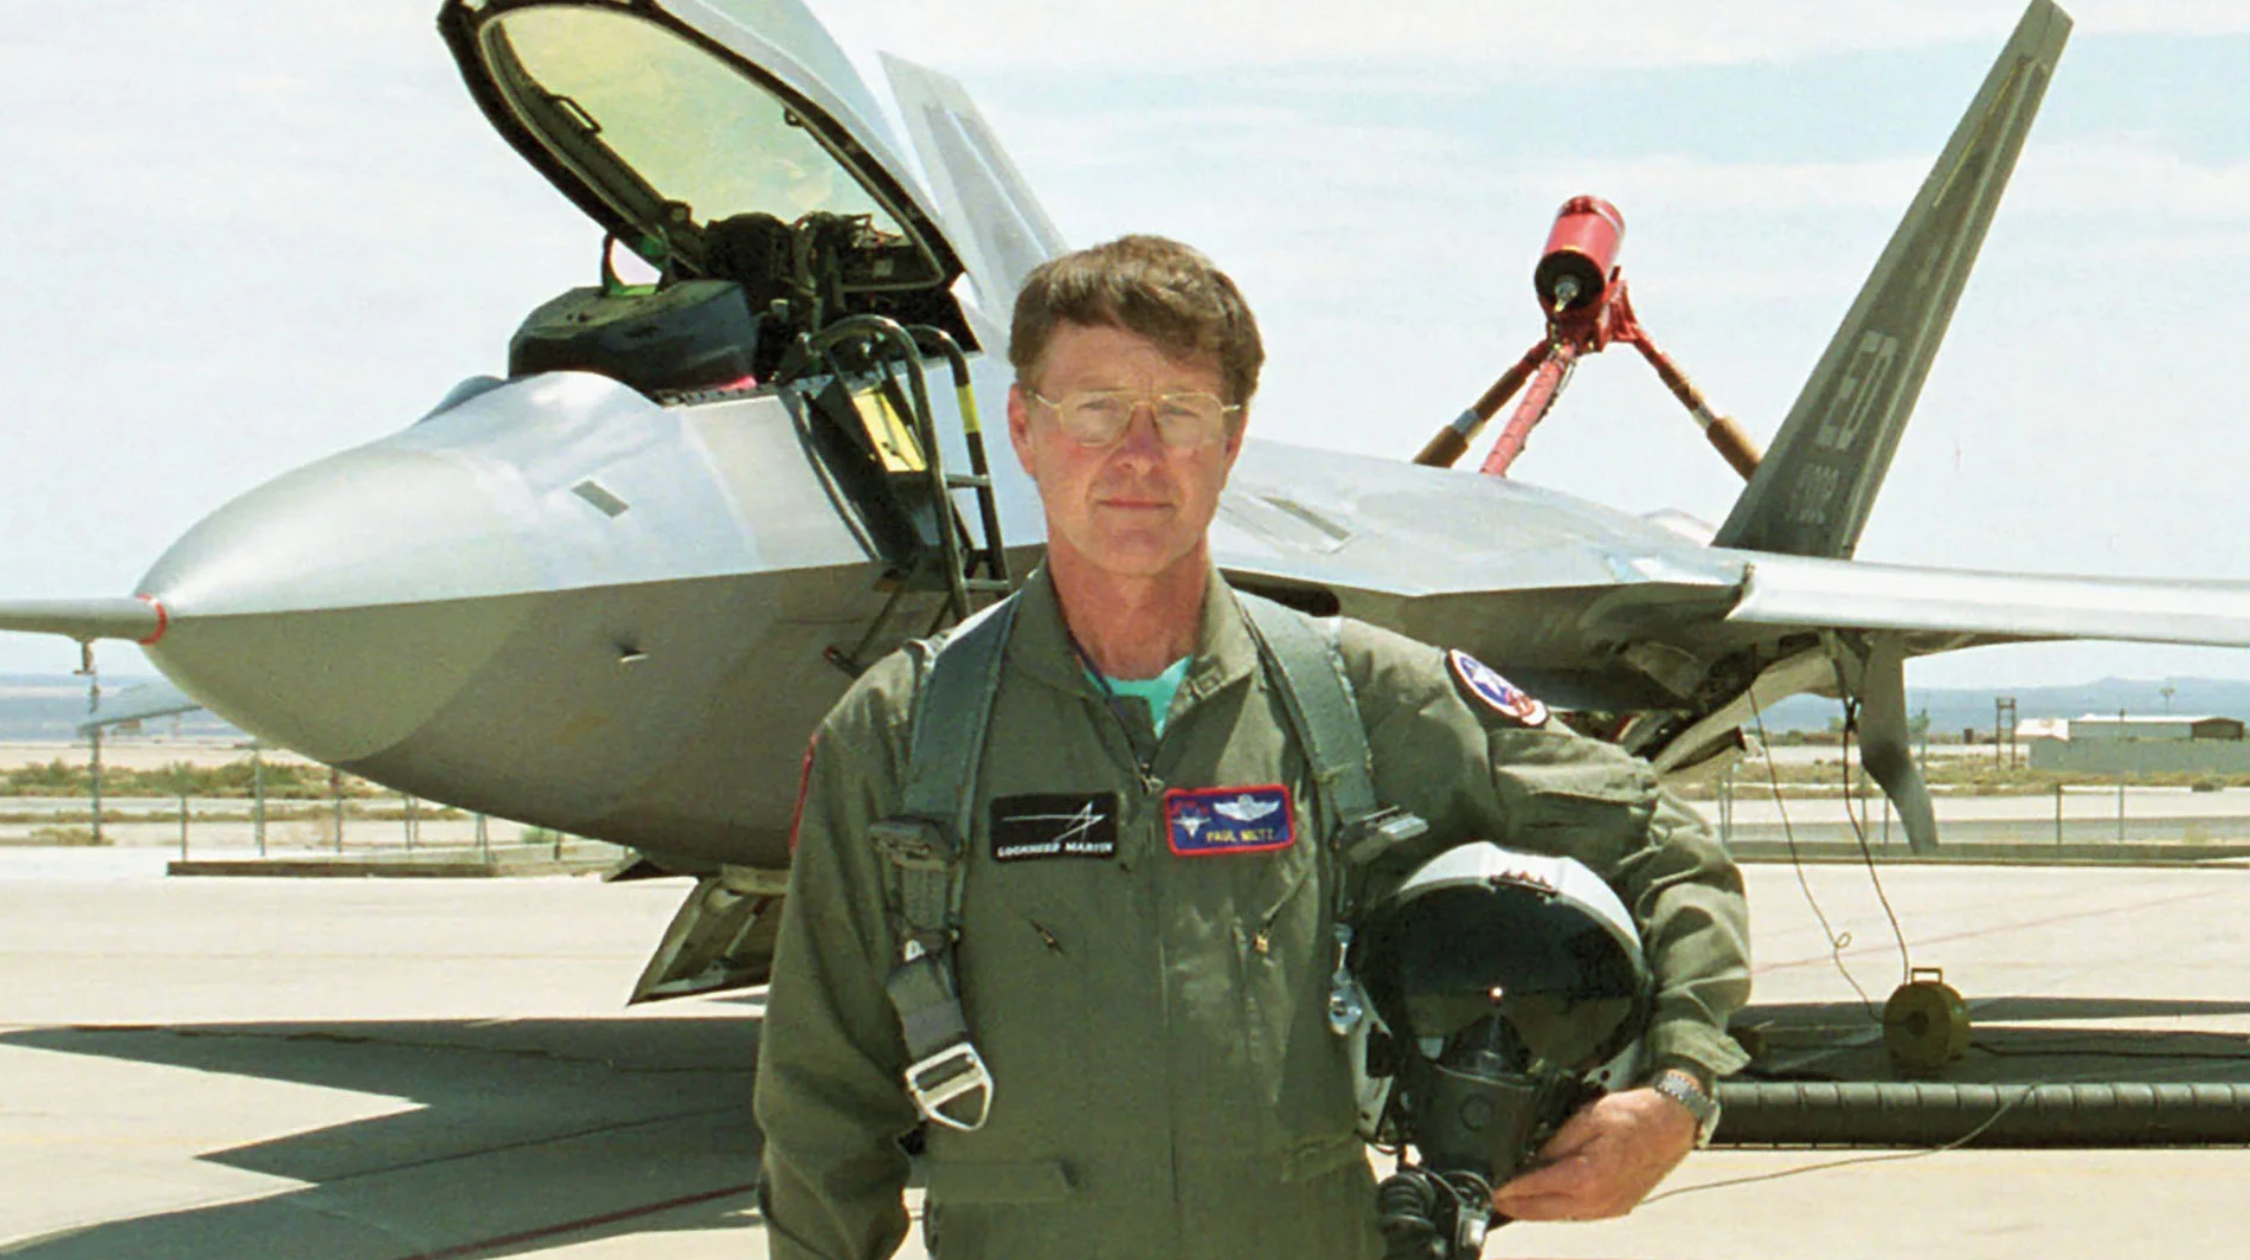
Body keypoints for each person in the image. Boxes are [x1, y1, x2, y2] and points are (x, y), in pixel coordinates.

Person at [754, 234, 1751, 1259]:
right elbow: (822, 1107)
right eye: (1094, 409)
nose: (1137, 456)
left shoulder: (1356, 701)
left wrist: (1679, 1092)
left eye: (1180, 413)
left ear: (1231, 443)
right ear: (1024, 428)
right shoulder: (906, 734)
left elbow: (1664, 844)